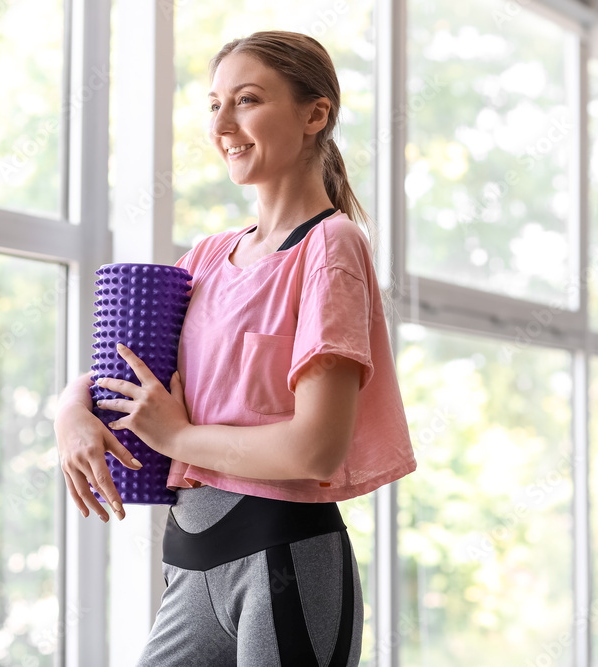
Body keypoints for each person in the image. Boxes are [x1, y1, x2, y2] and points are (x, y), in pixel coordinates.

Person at [53, 30, 417, 667]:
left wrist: (176, 438)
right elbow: (124, 371)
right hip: (190, 560)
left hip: (286, 557)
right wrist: (69, 411)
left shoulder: (331, 248)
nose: (222, 122)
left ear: (315, 114)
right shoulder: (207, 257)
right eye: (214, 103)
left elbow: (315, 448)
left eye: (246, 100)